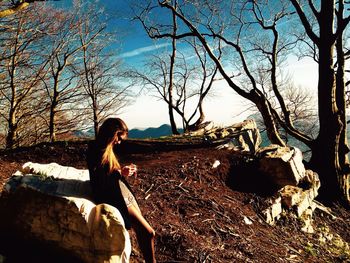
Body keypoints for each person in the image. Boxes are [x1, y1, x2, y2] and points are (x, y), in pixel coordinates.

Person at [86, 117, 156, 263]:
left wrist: (121, 170)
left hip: (117, 190)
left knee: (144, 232)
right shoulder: (96, 151)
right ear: (111, 133)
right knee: (148, 232)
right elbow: (100, 181)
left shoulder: (104, 149)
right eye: (118, 137)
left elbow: (108, 171)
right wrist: (119, 173)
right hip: (112, 195)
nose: (119, 142)